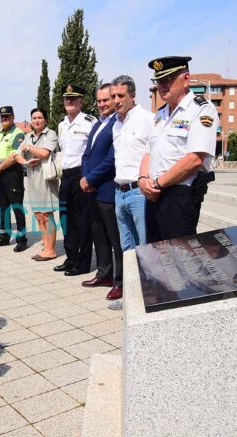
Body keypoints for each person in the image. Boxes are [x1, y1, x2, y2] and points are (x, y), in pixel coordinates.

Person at [139, 56, 218, 242]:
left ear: (186, 79)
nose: (162, 85)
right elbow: (148, 153)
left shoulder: (201, 109)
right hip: (154, 194)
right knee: (156, 255)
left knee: (181, 260)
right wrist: (143, 179)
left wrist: (158, 183)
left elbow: (195, 158)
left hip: (179, 196)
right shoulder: (160, 114)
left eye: (167, 79)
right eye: (159, 81)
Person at [110, 75, 154, 310]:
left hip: (139, 193)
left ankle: (149, 297)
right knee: (127, 249)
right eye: (113, 96)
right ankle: (131, 297)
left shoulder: (148, 119)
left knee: (145, 247)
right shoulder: (116, 123)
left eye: (121, 96)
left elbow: (154, 154)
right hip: (120, 192)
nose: (116, 100)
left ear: (132, 96)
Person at [80, 83, 123, 301]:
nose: (102, 104)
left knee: (115, 238)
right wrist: (85, 177)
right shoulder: (98, 124)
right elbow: (86, 154)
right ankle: (104, 273)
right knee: (99, 235)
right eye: (99, 101)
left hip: (107, 188)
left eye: (105, 100)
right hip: (92, 189)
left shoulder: (118, 123)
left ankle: (119, 281)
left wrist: (91, 178)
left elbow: (111, 159)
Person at [54, 84, 97, 276]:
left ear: (81, 101)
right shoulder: (62, 124)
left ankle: (83, 262)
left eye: (73, 98)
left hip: (82, 175)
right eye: (66, 99)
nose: (69, 102)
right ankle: (71, 257)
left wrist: (89, 177)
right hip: (66, 176)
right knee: (66, 219)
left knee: (83, 221)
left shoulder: (90, 122)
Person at [12, 108, 59, 260]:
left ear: (46, 120)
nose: (37, 120)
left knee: (46, 214)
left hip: (45, 178)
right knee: (38, 215)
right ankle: (45, 247)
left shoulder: (50, 134)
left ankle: (51, 250)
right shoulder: (28, 136)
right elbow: (16, 154)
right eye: (34, 118)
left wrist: (29, 148)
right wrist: (25, 161)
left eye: (40, 117)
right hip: (32, 178)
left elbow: (44, 153)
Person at [0, 106, 27, 252]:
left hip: (12, 174)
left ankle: (22, 239)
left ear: (13, 117)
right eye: (2, 116)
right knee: (2, 207)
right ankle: (4, 237)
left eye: (7, 116)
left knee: (17, 207)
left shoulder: (18, 133)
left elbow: (15, 155)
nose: (4, 118)